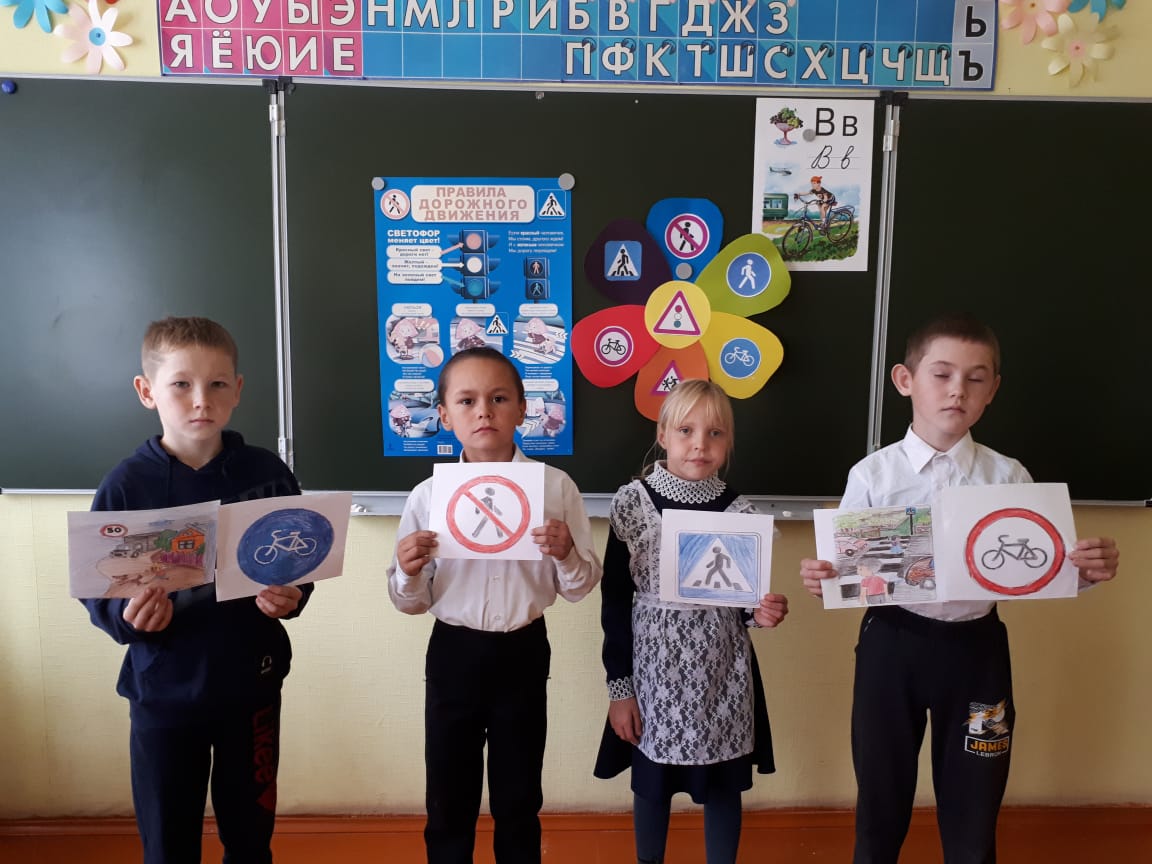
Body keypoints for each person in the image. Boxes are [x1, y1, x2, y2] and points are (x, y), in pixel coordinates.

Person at [801, 314, 1120, 864]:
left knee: (976, 799)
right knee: (880, 796)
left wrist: (1085, 571)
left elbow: (1039, 566)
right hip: (891, 646)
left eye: (976, 378)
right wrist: (825, 576)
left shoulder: (1008, 477)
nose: (958, 391)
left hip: (978, 654)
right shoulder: (873, 476)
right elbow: (847, 569)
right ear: (905, 380)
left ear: (992, 390)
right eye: (942, 374)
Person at [81, 316, 311, 864]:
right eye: (181, 384)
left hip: (252, 687)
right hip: (163, 695)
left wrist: (294, 596)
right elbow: (100, 590)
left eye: (217, 383)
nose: (201, 399)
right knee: (168, 843)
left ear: (238, 389)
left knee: (250, 838)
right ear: (147, 391)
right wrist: (128, 618)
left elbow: (299, 561)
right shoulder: (125, 486)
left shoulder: (267, 473)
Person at [387, 346, 603, 864]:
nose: (483, 411)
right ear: (444, 415)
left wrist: (567, 554)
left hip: (522, 652)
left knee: (519, 795)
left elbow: (579, 588)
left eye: (499, 398)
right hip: (453, 654)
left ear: (523, 409)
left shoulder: (556, 488)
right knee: (448, 794)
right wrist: (408, 570)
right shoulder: (427, 496)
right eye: (467, 401)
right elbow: (408, 603)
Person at [594, 378, 789, 864]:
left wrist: (761, 612)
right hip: (653, 673)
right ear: (663, 435)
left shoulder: (739, 512)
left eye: (715, 433)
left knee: (723, 784)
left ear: (729, 442)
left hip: (722, 672)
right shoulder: (634, 503)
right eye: (686, 430)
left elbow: (744, 603)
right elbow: (614, 599)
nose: (700, 444)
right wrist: (620, 689)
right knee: (652, 783)